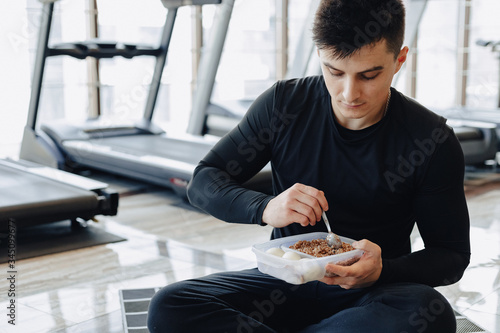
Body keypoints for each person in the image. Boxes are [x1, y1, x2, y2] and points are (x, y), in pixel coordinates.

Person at [147, 0, 470, 331]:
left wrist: (384, 269)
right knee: (171, 306)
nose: (349, 93)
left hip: (371, 295)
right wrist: (265, 207)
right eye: (334, 71)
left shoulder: (431, 140)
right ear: (320, 55)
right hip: (283, 286)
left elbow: (451, 256)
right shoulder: (283, 105)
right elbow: (203, 181)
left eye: (369, 75)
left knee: (431, 312)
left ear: (399, 59)